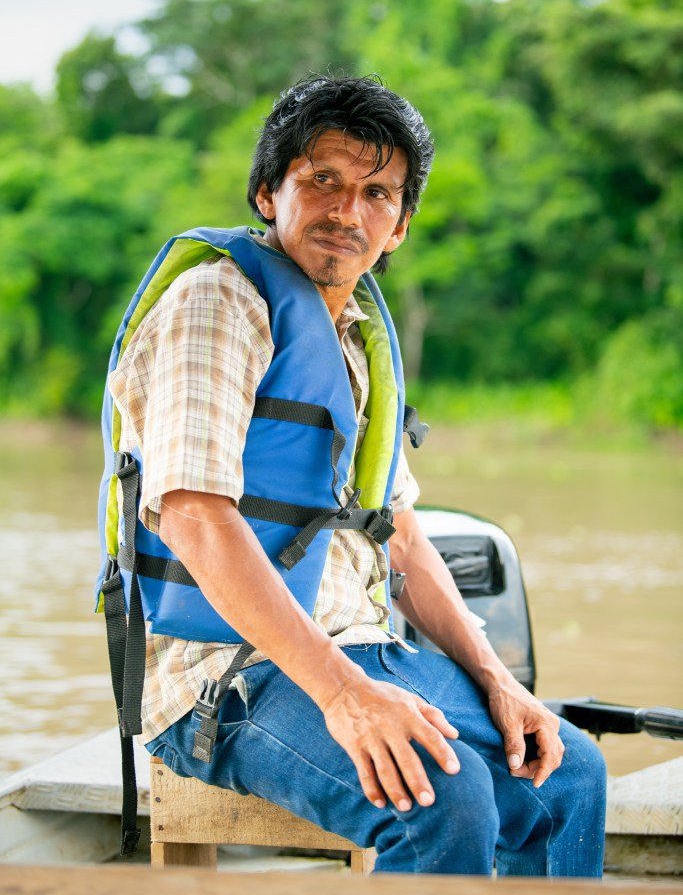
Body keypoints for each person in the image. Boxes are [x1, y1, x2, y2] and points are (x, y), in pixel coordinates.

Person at [99, 74, 606, 875]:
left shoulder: (355, 332)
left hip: (363, 645)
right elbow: (194, 516)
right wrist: (342, 695)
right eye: (322, 182)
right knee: (443, 798)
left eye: (377, 194)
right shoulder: (217, 302)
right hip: (224, 675)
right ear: (269, 193)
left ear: (399, 226)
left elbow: (398, 535)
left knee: (566, 774)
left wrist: (499, 683)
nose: (347, 212)